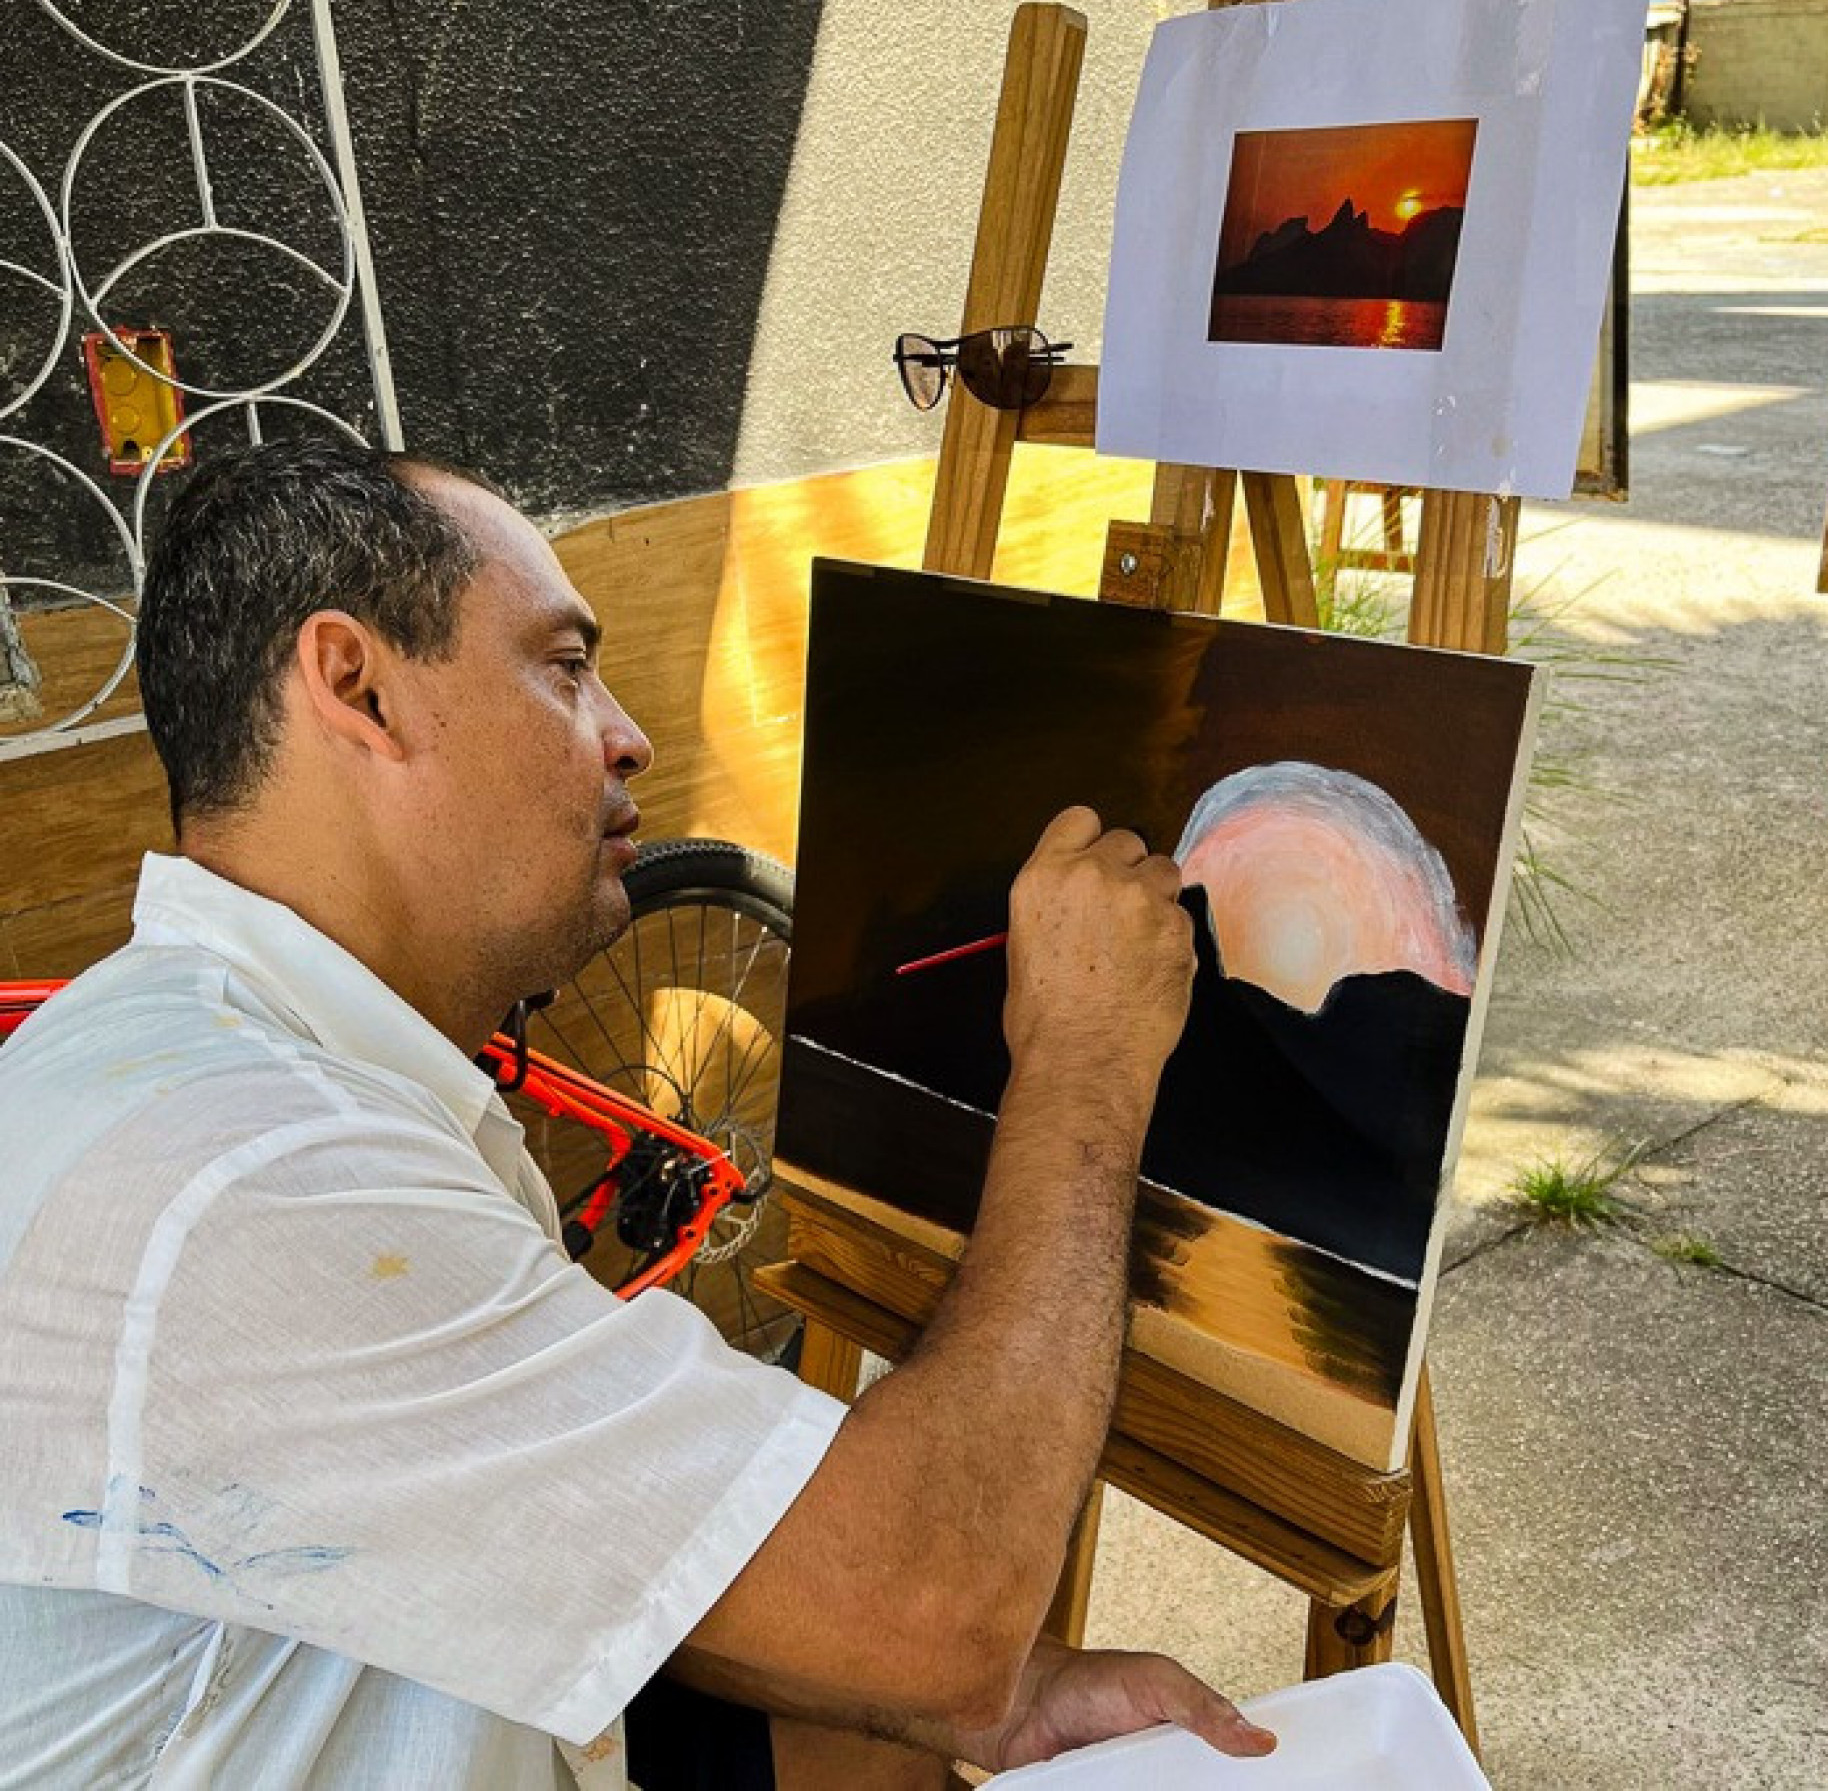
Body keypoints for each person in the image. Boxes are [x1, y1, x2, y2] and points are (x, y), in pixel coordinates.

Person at [0, 437, 1275, 1788]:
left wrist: (953, 1708)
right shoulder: (259, 1180)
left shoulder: (183, 1050)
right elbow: (935, 1598)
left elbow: (606, 1566)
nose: (627, 734)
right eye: (563, 667)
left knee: (872, 1730)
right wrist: (1085, 1060)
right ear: (358, 686)